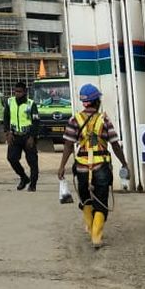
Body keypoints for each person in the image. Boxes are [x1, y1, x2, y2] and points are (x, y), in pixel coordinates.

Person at [56, 84, 130, 249]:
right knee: (101, 203)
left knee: (86, 200)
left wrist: (62, 167)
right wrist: (124, 163)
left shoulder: (74, 120)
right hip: (101, 167)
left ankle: (91, 228)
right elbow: (115, 145)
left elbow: (68, 145)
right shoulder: (104, 120)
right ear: (96, 101)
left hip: (81, 168)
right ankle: (96, 236)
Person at [2, 81, 40, 191]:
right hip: (15, 136)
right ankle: (23, 177)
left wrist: (32, 137)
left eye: (20, 92)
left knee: (32, 162)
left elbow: (36, 121)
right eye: (16, 91)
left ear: (25, 92)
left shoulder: (30, 104)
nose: (17, 94)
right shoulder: (10, 102)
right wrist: (7, 133)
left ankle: (33, 184)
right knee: (11, 158)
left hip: (28, 136)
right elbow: (6, 118)